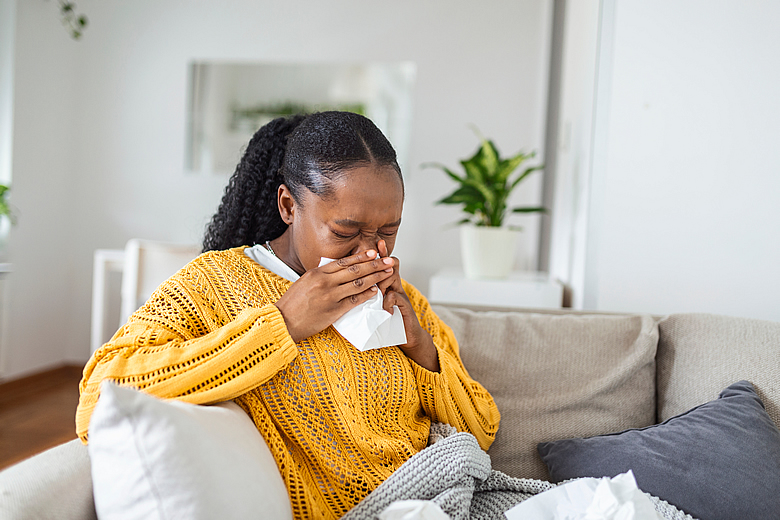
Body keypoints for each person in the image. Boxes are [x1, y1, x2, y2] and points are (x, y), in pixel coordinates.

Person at [76, 111, 500, 519]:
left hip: (447, 492)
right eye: (345, 233)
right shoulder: (214, 286)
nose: (371, 252)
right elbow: (99, 396)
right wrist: (283, 324)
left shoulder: (405, 300)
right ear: (288, 206)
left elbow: (480, 428)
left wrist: (421, 348)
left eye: (388, 232)